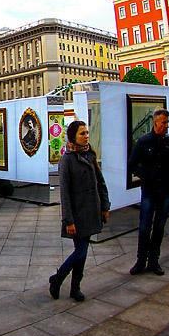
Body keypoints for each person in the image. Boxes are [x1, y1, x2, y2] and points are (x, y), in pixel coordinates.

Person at [49, 120, 110, 302]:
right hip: (77, 214)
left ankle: (74, 287)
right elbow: (65, 193)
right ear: (73, 136)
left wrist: (105, 207)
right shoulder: (67, 160)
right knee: (81, 252)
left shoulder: (90, 155)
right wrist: (68, 220)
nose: (86, 136)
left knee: (81, 253)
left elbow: (101, 183)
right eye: (82, 133)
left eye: (87, 133)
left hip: (92, 211)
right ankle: (58, 278)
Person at [128, 108, 169, 276]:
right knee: (145, 227)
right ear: (156, 123)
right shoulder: (144, 142)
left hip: (166, 192)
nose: (167, 126)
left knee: (159, 227)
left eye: (168, 123)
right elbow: (132, 164)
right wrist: (145, 175)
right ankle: (140, 261)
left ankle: (154, 261)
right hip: (149, 191)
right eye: (164, 123)